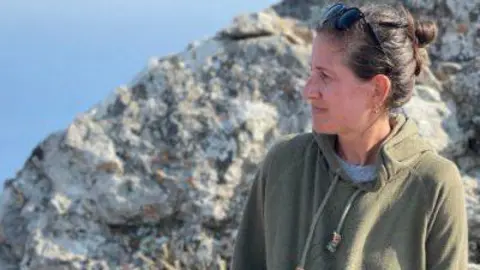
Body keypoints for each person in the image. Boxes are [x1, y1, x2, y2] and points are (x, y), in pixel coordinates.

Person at [230, 2, 469, 270]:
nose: (308, 91)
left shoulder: (434, 184)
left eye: (325, 76)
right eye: (311, 72)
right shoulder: (283, 165)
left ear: (378, 89)